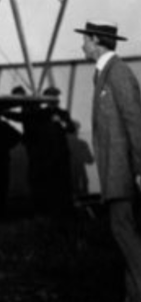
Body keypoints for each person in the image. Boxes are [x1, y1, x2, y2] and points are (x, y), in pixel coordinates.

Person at [77, 20, 141, 301]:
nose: (82, 46)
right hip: (117, 173)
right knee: (126, 235)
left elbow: (135, 123)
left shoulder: (118, 73)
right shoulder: (104, 74)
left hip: (123, 174)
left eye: (85, 40)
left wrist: (140, 170)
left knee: (124, 233)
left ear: (95, 41)